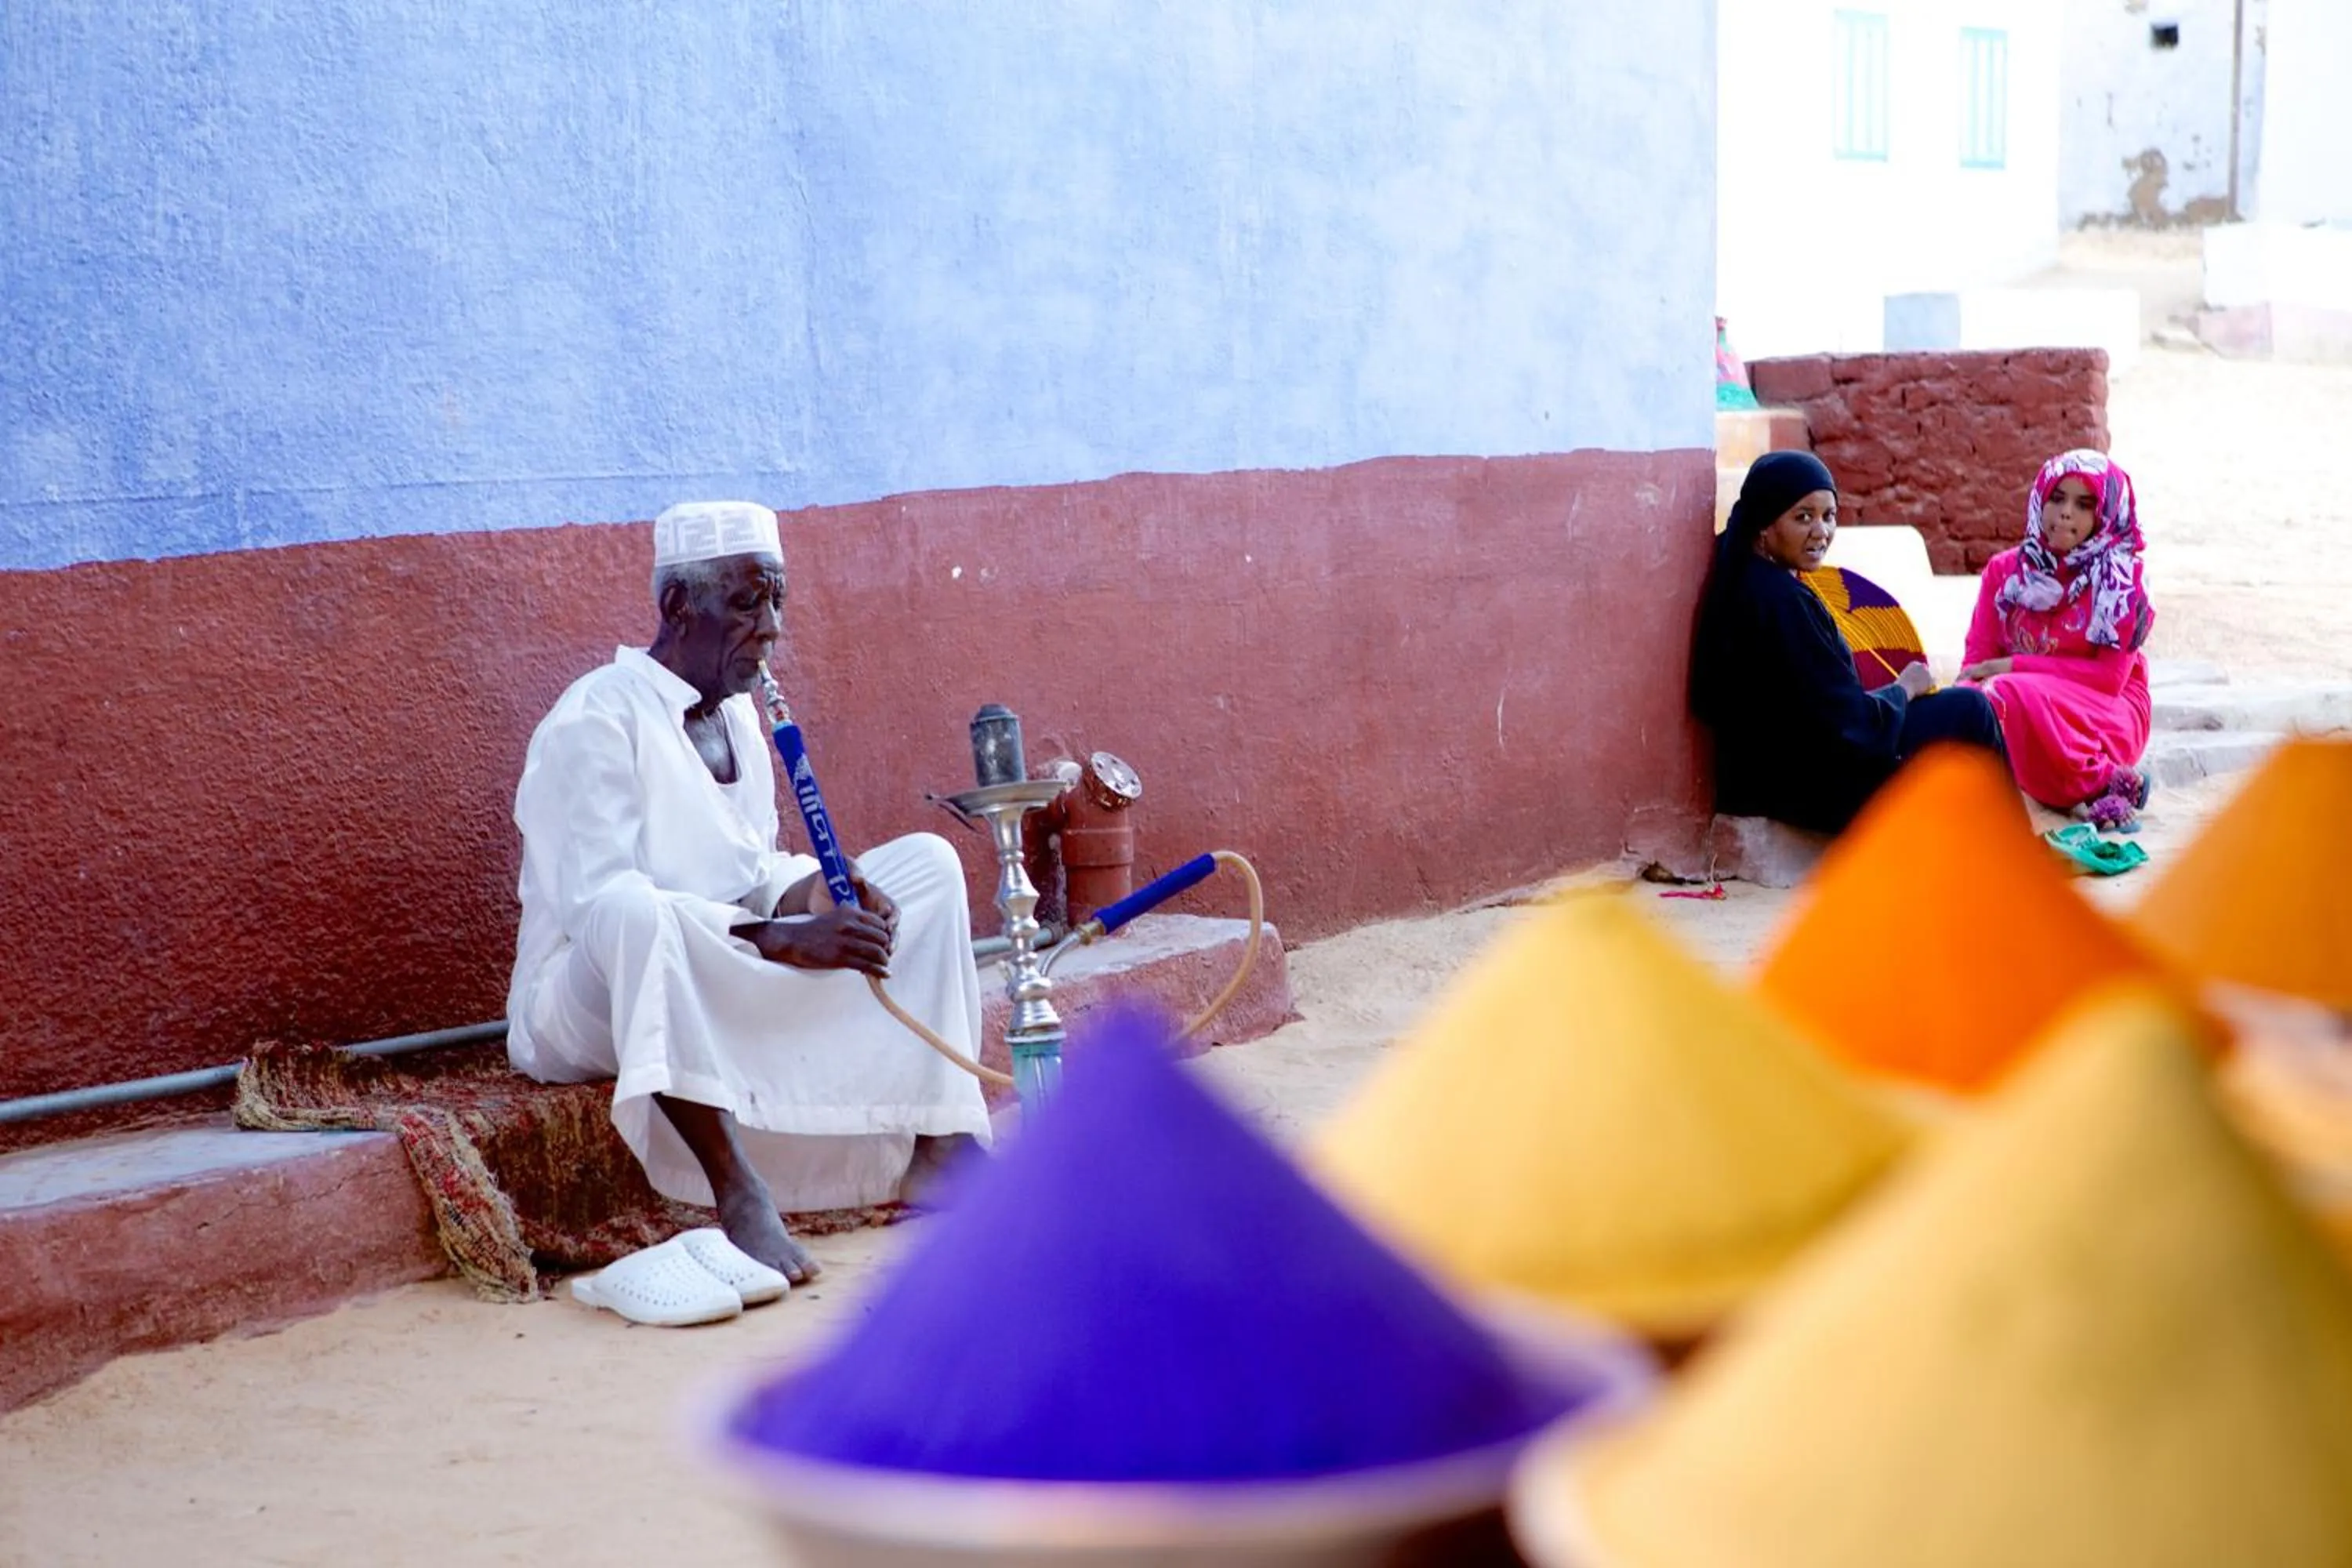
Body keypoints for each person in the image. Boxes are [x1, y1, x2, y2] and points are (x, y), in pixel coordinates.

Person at [506, 500, 993, 1289]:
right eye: (746, 602)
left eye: (777, 601)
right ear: (677, 606)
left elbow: (752, 867)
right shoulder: (594, 717)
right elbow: (597, 904)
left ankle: (943, 1141)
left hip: (717, 960)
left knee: (929, 863)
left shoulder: (738, 720)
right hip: (588, 1001)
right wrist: (780, 939)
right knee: (636, 910)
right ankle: (737, 1189)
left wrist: (817, 891)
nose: (771, 627)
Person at [1691, 451, 2005, 835]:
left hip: (1765, 777)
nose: (1821, 531)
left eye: (1829, 515)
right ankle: (2007, 848)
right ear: (1764, 525)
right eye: (1802, 517)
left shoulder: (1744, 577)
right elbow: (1849, 729)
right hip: (1811, 788)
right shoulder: (1781, 600)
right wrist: (1904, 688)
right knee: (1969, 709)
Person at [1958, 449, 2157, 830]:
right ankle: (2105, 786)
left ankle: (2101, 777)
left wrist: (2013, 667)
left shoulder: (2122, 580)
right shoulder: (2005, 572)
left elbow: (2108, 680)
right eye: (2057, 498)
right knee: (1975, 704)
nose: (2065, 513)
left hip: (2105, 714)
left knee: (2000, 693)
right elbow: (1977, 661)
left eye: (2084, 504)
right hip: (2021, 708)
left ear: (2105, 513)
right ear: (2039, 500)